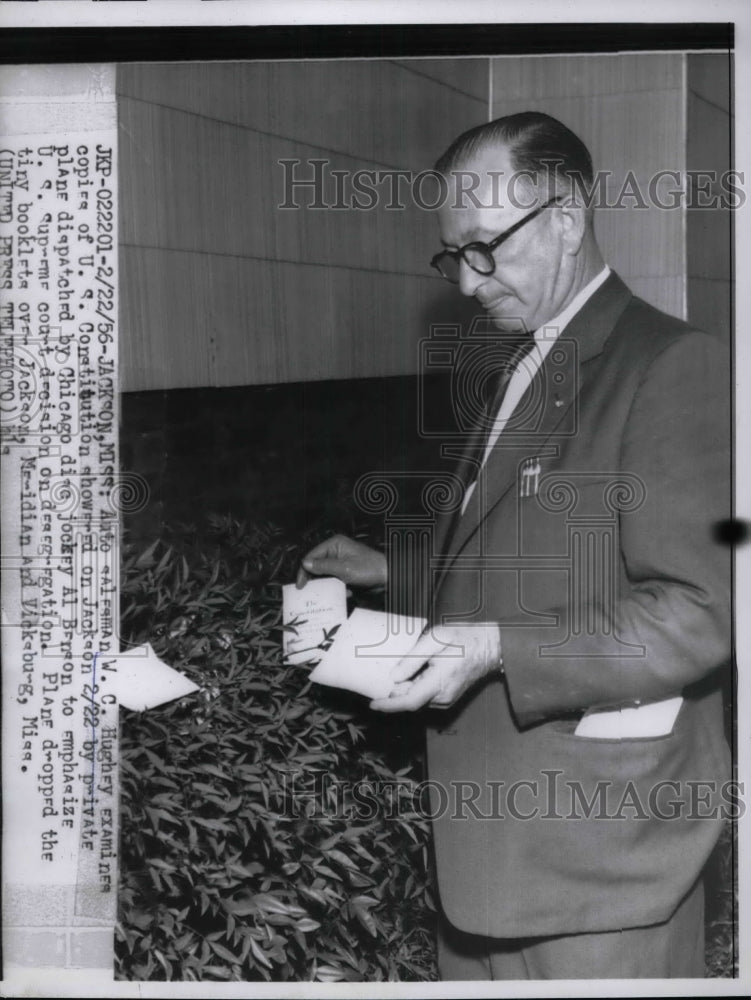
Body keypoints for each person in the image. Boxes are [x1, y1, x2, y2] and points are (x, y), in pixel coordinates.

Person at [297, 112, 731, 979]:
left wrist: (493, 647)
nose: (465, 281)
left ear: (565, 216)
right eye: (451, 255)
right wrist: (397, 569)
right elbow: (542, 550)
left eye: (483, 247)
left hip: (600, 867)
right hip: (487, 859)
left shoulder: (675, 365)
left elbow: (698, 615)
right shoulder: (522, 361)